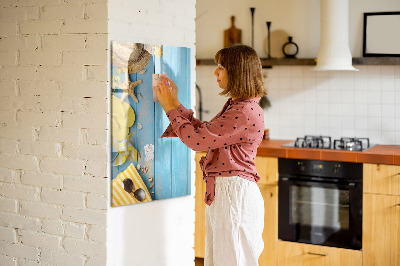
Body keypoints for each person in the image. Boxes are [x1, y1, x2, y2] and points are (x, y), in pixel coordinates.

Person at [153, 44, 266, 266]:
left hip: (234, 195)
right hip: (228, 193)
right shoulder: (239, 106)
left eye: (221, 67)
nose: (215, 72)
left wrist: (169, 108)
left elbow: (197, 141)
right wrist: (175, 103)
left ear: (237, 71)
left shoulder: (243, 111)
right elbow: (205, 133)